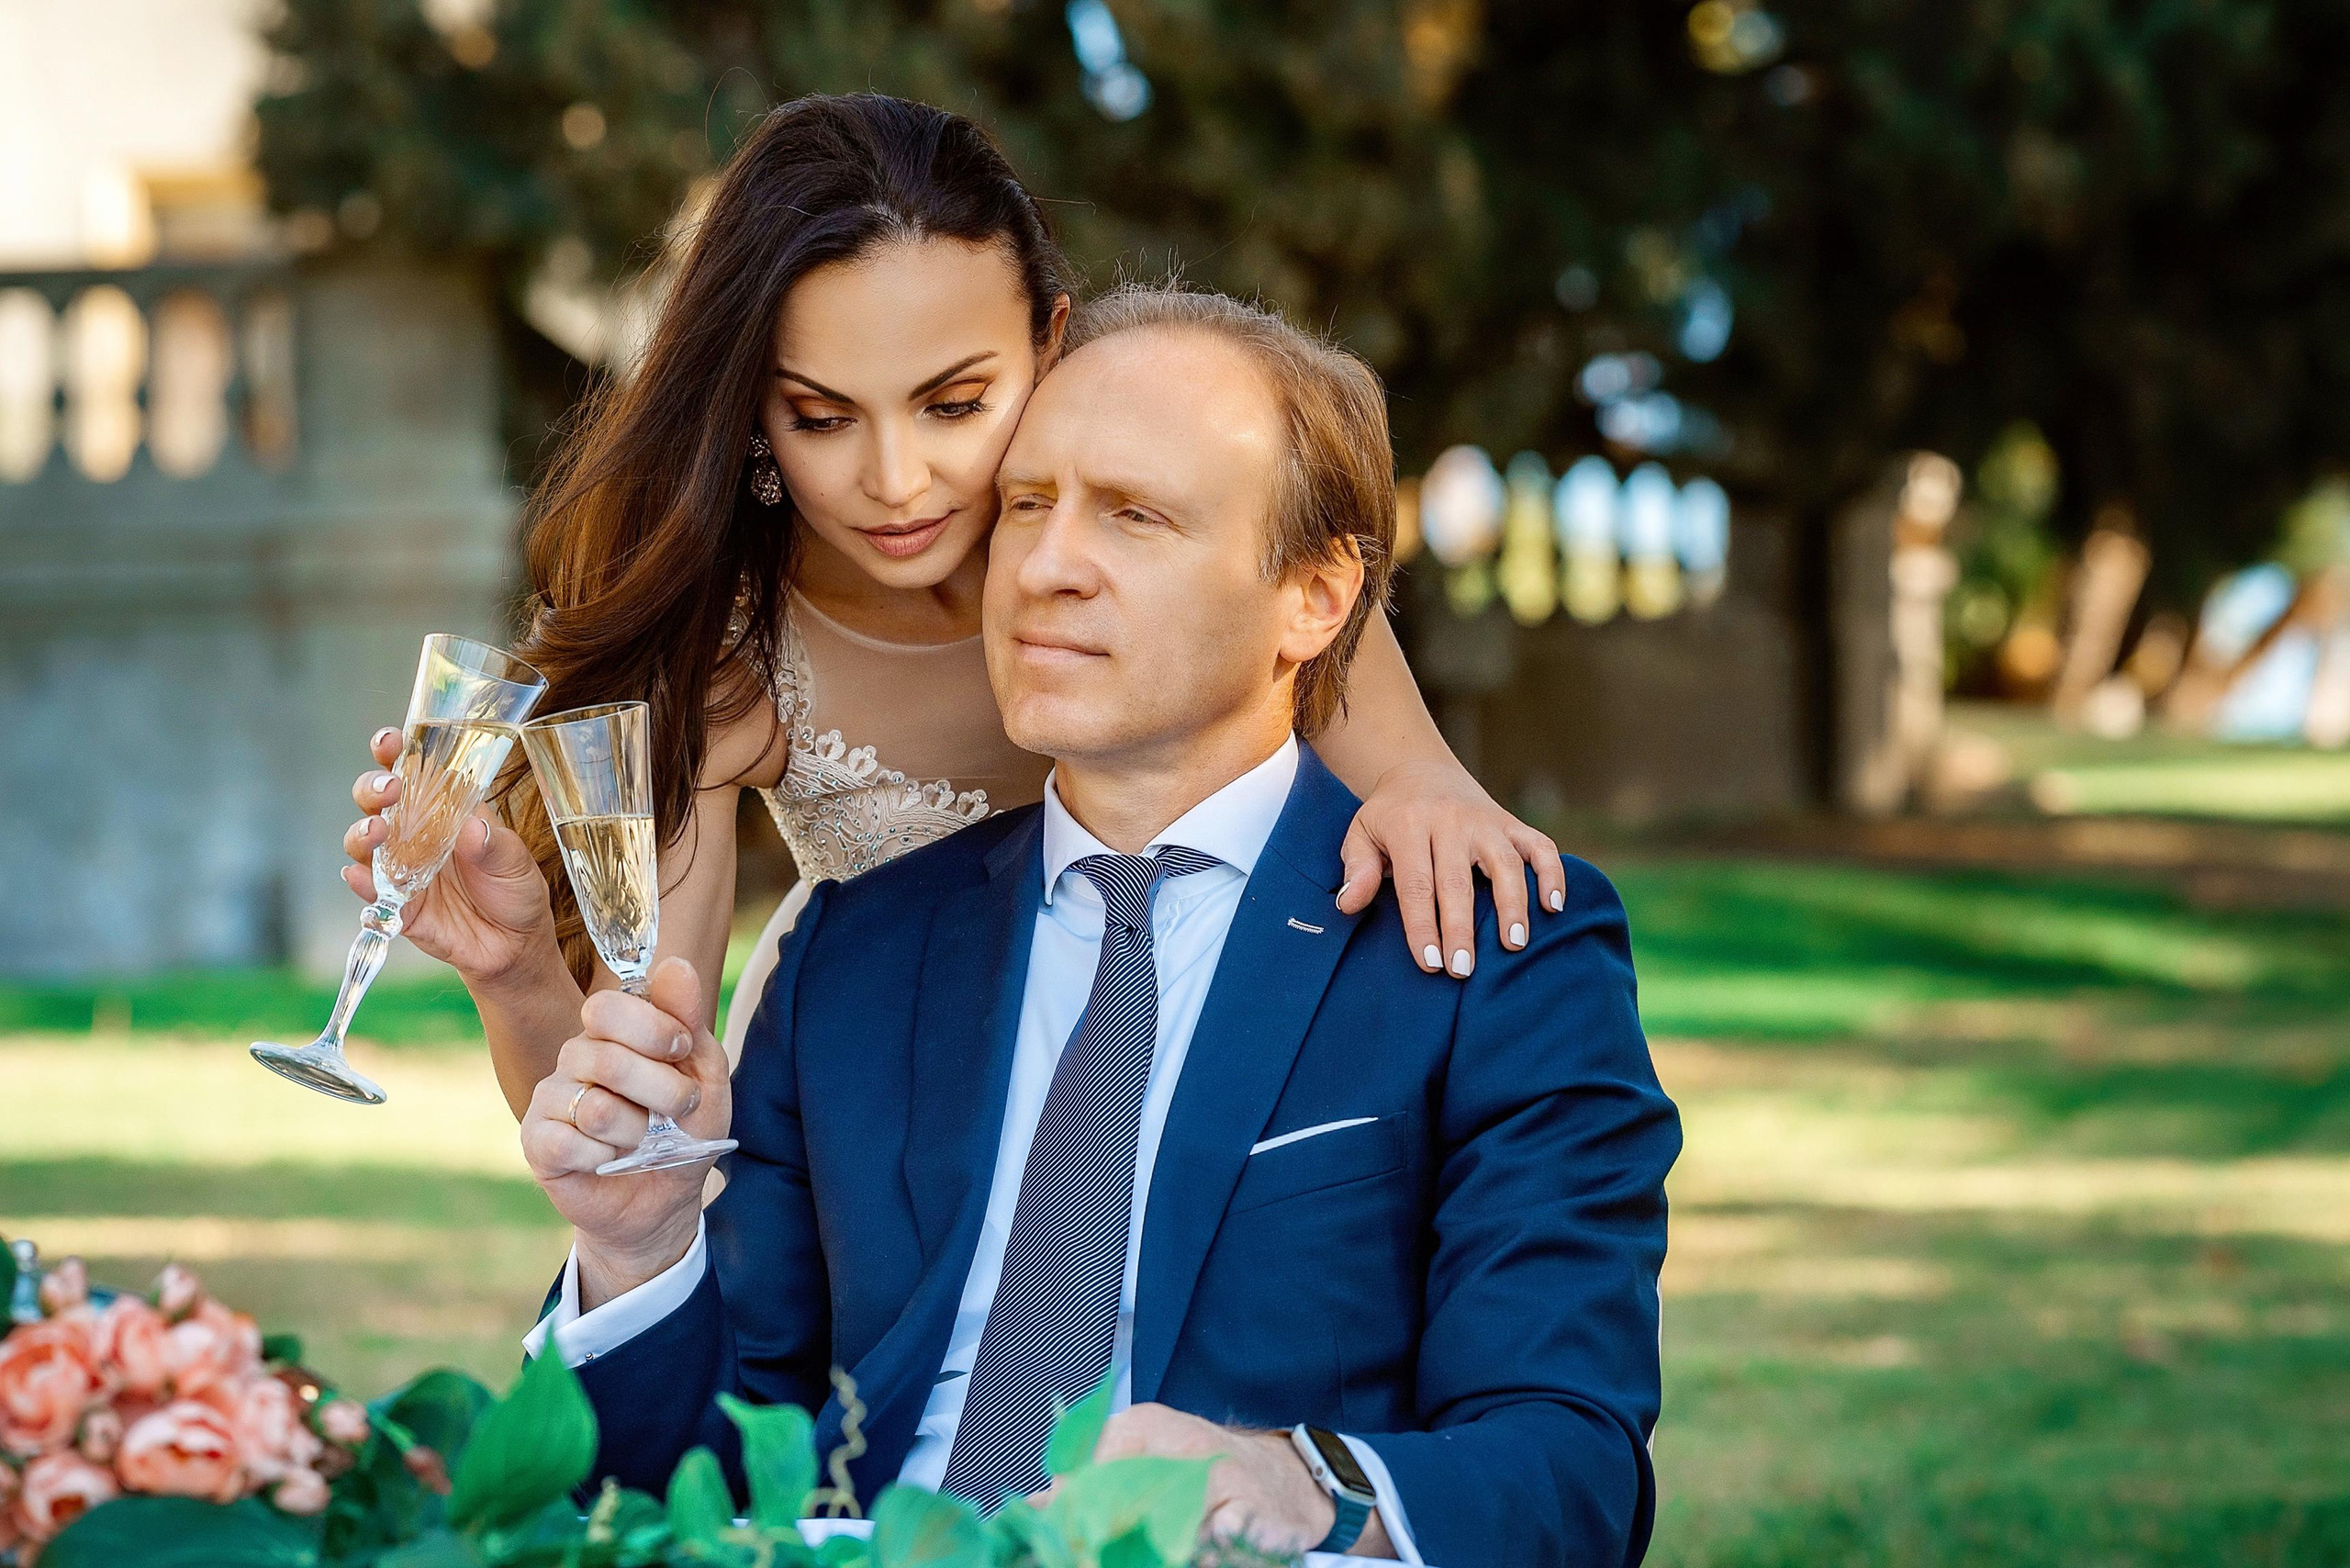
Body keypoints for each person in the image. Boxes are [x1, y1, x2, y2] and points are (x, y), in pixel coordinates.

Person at [518, 285, 1680, 1566]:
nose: (1047, 566)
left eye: (1135, 515)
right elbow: (699, 1481)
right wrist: (634, 1257)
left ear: (1313, 595)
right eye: (1026, 506)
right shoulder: (848, 957)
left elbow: (1571, 1471)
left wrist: (1308, 1484)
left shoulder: (1489, 955)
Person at [337, 94, 1570, 1118]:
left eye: (954, 403)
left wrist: (1434, 815)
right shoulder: (736, 660)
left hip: (1200, 1047)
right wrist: (513, 981)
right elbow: (637, 1102)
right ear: (754, 412)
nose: (895, 482)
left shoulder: (1202, 555)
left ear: (1053, 343)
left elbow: (1426, 791)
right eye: (820, 418)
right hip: (891, 1087)